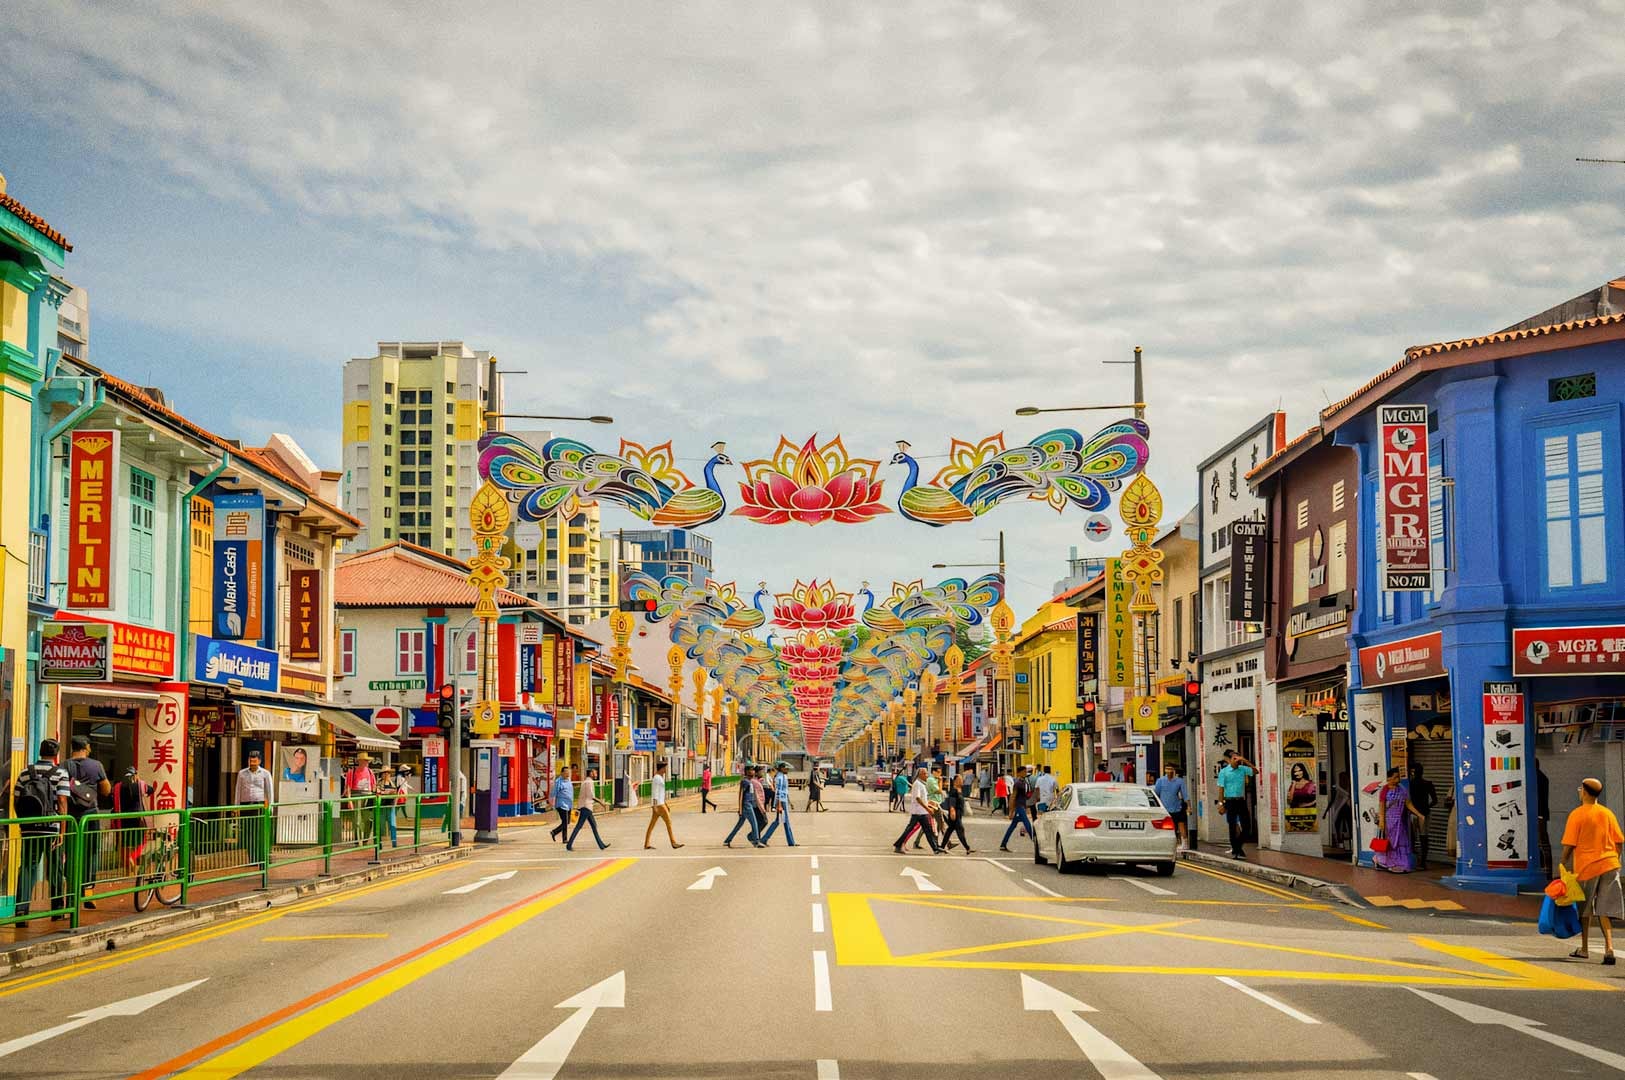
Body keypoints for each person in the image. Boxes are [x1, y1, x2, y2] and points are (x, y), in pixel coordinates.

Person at [8, 739, 71, 921]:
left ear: (40, 752)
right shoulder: (60, 773)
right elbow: (62, 802)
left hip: (29, 828)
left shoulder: (25, 772)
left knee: (28, 867)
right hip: (51, 828)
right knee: (55, 868)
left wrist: (23, 824)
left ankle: (21, 911)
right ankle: (57, 910)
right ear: (56, 754)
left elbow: (17, 800)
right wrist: (62, 831)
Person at [1562, 777, 1622, 964]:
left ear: (1585, 792)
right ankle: (1609, 948)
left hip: (1587, 868)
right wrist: (1615, 858)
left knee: (1584, 910)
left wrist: (1562, 864)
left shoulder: (1577, 814)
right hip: (1610, 865)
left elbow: (1569, 845)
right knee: (1605, 909)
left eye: (1580, 788)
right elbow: (1619, 841)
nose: (1579, 791)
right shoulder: (1607, 813)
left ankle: (1585, 948)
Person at [66, 735, 110, 908]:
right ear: (86, 747)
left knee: (70, 854)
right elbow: (106, 790)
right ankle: (88, 894)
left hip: (69, 816)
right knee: (91, 854)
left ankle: (71, 893)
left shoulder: (64, 765)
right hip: (90, 815)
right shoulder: (96, 765)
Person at [1373, 766, 1423, 872]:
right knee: (1388, 843)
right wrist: (1382, 821)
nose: (1398, 779)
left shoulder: (1402, 789)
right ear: (1389, 779)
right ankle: (1383, 861)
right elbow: (1381, 806)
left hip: (1399, 822)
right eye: (1395, 777)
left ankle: (1399, 863)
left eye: (1398, 777)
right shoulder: (1384, 790)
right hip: (1388, 821)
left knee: (1400, 841)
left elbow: (1408, 804)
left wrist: (1419, 814)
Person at [894, 767, 944, 854]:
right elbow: (917, 798)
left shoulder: (922, 784)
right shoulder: (917, 784)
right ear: (920, 775)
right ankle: (898, 845)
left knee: (928, 831)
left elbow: (923, 798)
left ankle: (935, 848)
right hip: (918, 812)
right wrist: (927, 808)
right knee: (910, 829)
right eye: (925, 774)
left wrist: (930, 804)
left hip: (922, 812)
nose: (927, 775)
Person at [1216, 750, 1255, 860]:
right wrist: (1220, 803)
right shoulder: (1224, 772)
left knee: (1247, 826)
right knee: (1232, 826)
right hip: (1229, 801)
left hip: (1241, 800)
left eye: (1238, 758)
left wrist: (1245, 761)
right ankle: (1236, 850)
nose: (1236, 760)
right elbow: (1221, 789)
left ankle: (1237, 847)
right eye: (1234, 758)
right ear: (1229, 760)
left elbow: (1255, 771)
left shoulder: (1243, 769)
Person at [234, 749, 273, 855]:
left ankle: (260, 856)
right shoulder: (242, 773)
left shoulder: (265, 774)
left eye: (255, 762)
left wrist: (270, 806)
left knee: (258, 832)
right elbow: (238, 790)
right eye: (251, 761)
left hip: (258, 805)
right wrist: (236, 806)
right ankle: (251, 857)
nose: (252, 764)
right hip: (245, 806)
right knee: (247, 833)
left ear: (259, 761)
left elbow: (269, 791)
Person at [112, 766, 150, 866]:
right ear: (135, 775)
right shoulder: (139, 785)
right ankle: (132, 857)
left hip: (123, 820)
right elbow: (151, 790)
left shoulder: (117, 787)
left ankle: (128, 870)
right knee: (140, 842)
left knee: (125, 844)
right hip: (137, 819)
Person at [568, 767, 610, 851]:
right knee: (579, 826)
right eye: (595, 773)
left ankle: (601, 845)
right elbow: (591, 796)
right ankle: (569, 845)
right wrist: (601, 803)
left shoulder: (586, 781)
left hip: (586, 806)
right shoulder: (589, 782)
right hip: (586, 806)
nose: (596, 774)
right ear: (591, 773)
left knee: (594, 826)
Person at [644, 761, 684, 849]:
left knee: (652, 824)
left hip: (661, 803)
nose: (665, 770)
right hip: (659, 805)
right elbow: (655, 793)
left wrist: (666, 804)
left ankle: (646, 843)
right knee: (669, 822)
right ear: (661, 768)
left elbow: (661, 793)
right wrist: (654, 806)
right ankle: (673, 842)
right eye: (665, 768)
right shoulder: (657, 778)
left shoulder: (660, 778)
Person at [1153, 763, 1191, 852]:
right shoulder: (1160, 781)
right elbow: (1156, 794)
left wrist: (1189, 806)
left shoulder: (1179, 781)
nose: (1169, 771)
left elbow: (1185, 795)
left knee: (1181, 824)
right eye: (1167, 769)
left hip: (1177, 807)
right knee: (1168, 828)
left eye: (1171, 769)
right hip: (1165, 809)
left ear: (1174, 770)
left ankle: (1184, 843)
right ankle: (1168, 844)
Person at [724, 766, 765, 848]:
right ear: (747, 772)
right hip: (746, 805)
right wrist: (740, 809)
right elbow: (741, 795)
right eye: (751, 770)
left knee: (739, 825)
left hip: (750, 804)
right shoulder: (745, 781)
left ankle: (727, 840)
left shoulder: (751, 781)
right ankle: (756, 841)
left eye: (753, 770)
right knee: (754, 823)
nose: (753, 772)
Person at [760, 762, 797, 847]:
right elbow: (778, 792)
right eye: (786, 768)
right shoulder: (779, 777)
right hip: (781, 802)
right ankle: (764, 839)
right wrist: (779, 805)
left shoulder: (784, 776)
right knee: (780, 821)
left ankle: (791, 842)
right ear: (781, 768)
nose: (787, 770)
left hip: (784, 800)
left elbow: (785, 791)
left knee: (782, 821)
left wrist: (790, 802)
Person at [344, 752, 378, 842]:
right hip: (356, 796)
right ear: (360, 761)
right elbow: (348, 787)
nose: (367, 762)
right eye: (365, 760)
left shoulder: (370, 772)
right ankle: (357, 841)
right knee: (357, 821)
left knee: (368, 820)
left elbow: (374, 786)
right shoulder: (352, 772)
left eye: (367, 761)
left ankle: (365, 840)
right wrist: (349, 801)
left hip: (368, 796)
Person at [1407, 763, 1437, 865]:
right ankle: (1423, 861)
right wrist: (1427, 806)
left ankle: (1411, 858)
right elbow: (1435, 800)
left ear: (1413, 772)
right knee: (1424, 837)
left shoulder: (1409, 784)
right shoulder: (1428, 784)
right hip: (1424, 813)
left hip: (1412, 813)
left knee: (1411, 837)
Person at [1000, 768, 1034, 852]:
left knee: (1013, 826)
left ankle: (1003, 844)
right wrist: (1011, 811)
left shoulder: (1024, 782)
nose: (1025, 773)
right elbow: (1013, 797)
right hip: (1019, 807)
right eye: (1023, 772)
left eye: (1026, 772)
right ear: (1019, 773)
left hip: (1022, 806)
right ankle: (1035, 842)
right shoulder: (1017, 783)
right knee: (1028, 825)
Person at [940, 773, 974, 853]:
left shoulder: (959, 790)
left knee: (950, 830)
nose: (961, 781)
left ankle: (942, 846)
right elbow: (952, 801)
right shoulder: (954, 790)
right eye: (959, 780)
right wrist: (952, 810)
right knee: (960, 829)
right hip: (955, 813)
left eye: (961, 780)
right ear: (955, 781)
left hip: (958, 813)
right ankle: (967, 848)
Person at [912, 766, 944, 850]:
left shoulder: (933, 780)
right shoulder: (931, 780)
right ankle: (939, 843)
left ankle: (919, 842)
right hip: (932, 804)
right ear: (934, 772)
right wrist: (941, 782)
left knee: (928, 825)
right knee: (939, 823)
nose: (940, 774)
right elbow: (939, 791)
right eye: (938, 772)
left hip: (935, 803)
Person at [382, 765, 412, 848]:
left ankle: (394, 842)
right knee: (381, 825)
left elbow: (396, 790)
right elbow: (378, 792)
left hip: (391, 805)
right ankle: (379, 844)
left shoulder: (392, 783)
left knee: (392, 824)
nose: (386, 775)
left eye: (388, 773)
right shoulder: (379, 783)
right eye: (384, 773)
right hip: (381, 807)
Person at [549, 767, 575, 842]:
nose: (568, 774)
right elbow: (554, 792)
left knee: (567, 822)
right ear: (562, 773)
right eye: (566, 772)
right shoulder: (558, 782)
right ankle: (564, 839)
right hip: (561, 804)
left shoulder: (569, 780)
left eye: (568, 772)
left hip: (569, 804)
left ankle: (554, 832)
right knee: (565, 821)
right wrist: (550, 803)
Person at [1537, 762, 1554, 879]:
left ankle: (1546, 871)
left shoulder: (1535, 779)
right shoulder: (1543, 777)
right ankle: (1547, 872)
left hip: (1538, 815)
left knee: (1543, 844)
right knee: (1544, 844)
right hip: (1542, 814)